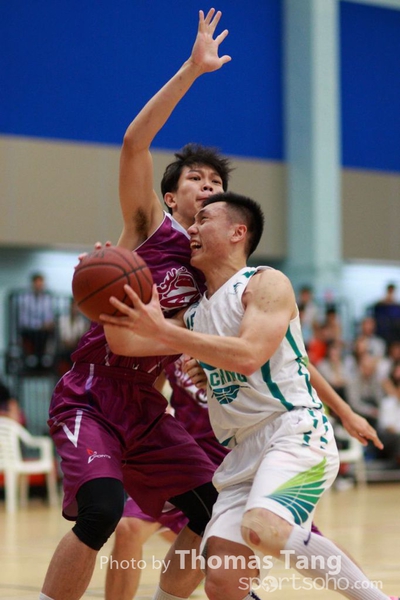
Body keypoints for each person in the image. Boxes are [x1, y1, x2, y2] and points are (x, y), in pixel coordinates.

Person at [102, 192, 397, 600]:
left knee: (264, 526)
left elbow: (248, 355)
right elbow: (125, 343)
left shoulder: (265, 283)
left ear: (238, 232)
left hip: (295, 433)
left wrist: (165, 331)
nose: (191, 228)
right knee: (222, 580)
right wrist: (111, 281)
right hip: (240, 452)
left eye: (204, 220)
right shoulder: (194, 314)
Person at [40, 9, 233, 600]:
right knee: (102, 513)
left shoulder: (219, 272)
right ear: (170, 197)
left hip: (150, 405)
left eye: (217, 185)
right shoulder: (151, 227)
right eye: (197, 179)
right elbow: (134, 142)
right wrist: (192, 70)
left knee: (216, 513)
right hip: (92, 393)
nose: (209, 187)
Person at [105, 356, 229, 600]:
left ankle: (194, 567)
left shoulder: (235, 340)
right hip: (179, 456)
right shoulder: (170, 344)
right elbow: (148, 395)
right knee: (128, 528)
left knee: (217, 539)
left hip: (225, 462)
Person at [17, 272, 55, 371]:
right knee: (34, 335)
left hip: (43, 331)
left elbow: (49, 316)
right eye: (37, 283)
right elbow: (23, 319)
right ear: (33, 284)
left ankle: (42, 360)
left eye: (41, 284)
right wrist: (39, 325)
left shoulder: (47, 299)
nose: (39, 286)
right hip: (29, 330)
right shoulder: (25, 299)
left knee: (47, 334)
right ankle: (32, 359)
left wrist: (46, 324)